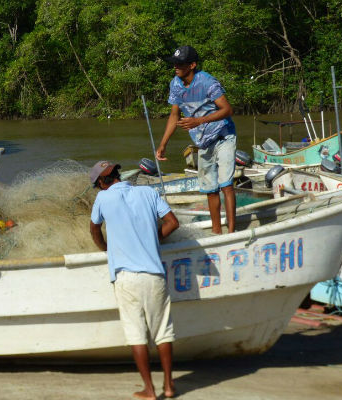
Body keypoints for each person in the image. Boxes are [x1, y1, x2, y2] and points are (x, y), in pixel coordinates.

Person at [89, 160, 180, 400]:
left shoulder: (102, 199)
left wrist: (107, 249)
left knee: (136, 334)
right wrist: (152, 239)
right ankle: (169, 387)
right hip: (154, 274)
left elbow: (94, 230)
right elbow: (173, 223)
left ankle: (149, 390)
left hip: (126, 277)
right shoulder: (148, 192)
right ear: (118, 175)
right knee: (163, 332)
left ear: (101, 183)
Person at [156, 45, 237, 234]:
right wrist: (163, 144)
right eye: (174, 63)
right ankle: (217, 231)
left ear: (192, 65)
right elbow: (174, 115)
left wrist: (198, 120)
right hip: (203, 141)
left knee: (226, 184)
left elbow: (227, 109)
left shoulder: (208, 82)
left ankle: (232, 232)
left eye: (180, 63)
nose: (175, 66)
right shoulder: (175, 84)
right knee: (210, 188)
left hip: (224, 135)